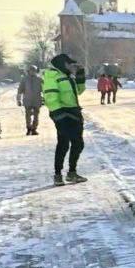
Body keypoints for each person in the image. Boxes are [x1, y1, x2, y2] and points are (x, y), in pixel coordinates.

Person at [43, 54, 87, 185]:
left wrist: (80, 74)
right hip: (62, 114)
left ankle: (72, 173)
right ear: (63, 64)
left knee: (78, 143)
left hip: (74, 113)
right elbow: (50, 97)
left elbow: (79, 91)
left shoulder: (67, 77)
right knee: (63, 144)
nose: (72, 66)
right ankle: (58, 174)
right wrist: (59, 116)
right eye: (70, 64)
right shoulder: (52, 76)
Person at [16, 65, 43, 135]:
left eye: (34, 70)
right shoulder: (24, 79)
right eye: (31, 70)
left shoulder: (39, 79)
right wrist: (18, 100)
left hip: (37, 100)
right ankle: (28, 128)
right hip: (27, 100)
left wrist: (45, 99)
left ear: (36, 71)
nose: (33, 72)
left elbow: (44, 90)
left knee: (36, 116)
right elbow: (20, 90)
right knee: (28, 115)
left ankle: (34, 129)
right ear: (29, 71)